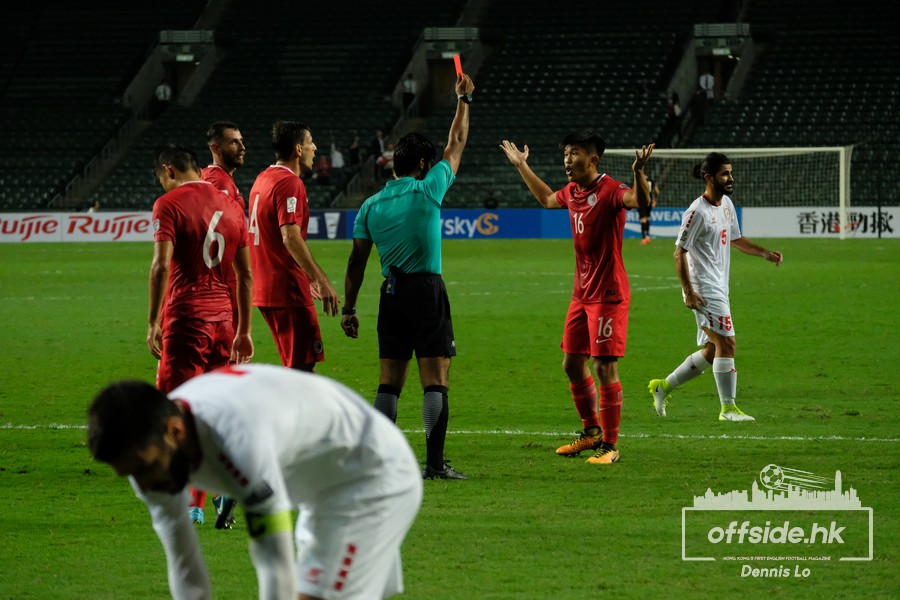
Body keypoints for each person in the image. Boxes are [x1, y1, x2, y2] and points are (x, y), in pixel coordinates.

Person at [86, 363, 423, 600]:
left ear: (175, 431)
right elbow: (183, 563)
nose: (143, 486)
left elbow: (274, 563)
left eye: (143, 469)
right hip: (320, 488)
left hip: (371, 476)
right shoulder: (150, 454)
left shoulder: (236, 439)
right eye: (129, 474)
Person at [342, 72, 476, 480]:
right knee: (435, 379)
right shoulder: (427, 188)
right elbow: (456, 143)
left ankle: (380, 464)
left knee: (389, 381)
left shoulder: (370, 205)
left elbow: (356, 262)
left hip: (391, 293)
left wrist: (349, 309)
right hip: (425, 291)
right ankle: (434, 464)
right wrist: (464, 100)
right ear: (422, 164)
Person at [499, 132, 654, 465]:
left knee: (604, 367)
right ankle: (591, 432)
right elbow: (547, 199)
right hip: (581, 295)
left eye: (574, 153)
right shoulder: (572, 192)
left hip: (608, 295)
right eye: (566, 154)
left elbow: (638, 201)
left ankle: (610, 446)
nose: (567, 160)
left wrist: (639, 172)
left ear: (593, 159)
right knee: (572, 364)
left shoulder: (610, 190)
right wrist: (522, 165)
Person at [148, 144, 254, 526]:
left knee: (174, 411)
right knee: (211, 411)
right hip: (223, 320)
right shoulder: (232, 206)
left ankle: (188, 503)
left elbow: (161, 266)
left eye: (161, 178)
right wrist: (244, 330)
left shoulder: (169, 204)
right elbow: (245, 275)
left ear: (169, 170)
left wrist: (153, 321)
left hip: (186, 319)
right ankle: (221, 486)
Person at [649, 152, 783, 422]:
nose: (730, 178)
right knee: (727, 343)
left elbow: (736, 238)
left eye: (730, 173)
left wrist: (764, 253)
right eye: (725, 174)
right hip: (703, 288)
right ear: (709, 178)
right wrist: (689, 291)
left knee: (713, 350)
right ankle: (728, 409)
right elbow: (679, 253)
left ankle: (663, 387)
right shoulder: (696, 212)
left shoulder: (726, 204)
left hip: (720, 285)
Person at [247, 121, 340, 372]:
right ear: (298, 149)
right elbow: (290, 236)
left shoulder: (263, 178)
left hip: (266, 287)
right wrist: (320, 280)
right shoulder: (289, 183)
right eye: (310, 142)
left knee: (296, 367)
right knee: (303, 368)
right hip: (287, 289)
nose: (315, 148)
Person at [200, 120, 248, 529]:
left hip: (219, 305)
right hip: (216, 307)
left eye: (242, 141)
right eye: (234, 142)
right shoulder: (216, 184)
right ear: (216, 148)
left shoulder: (223, 183)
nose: (241, 147)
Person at [640, 179, 660, 244]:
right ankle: (647, 236)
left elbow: (634, 190)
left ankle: (644, 238)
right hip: (649, 201)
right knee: (647, 218)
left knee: (643, 219)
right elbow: (657, 191)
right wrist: (655, 200)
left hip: (641, 200)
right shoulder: (651, 180)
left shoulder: (638, 178)